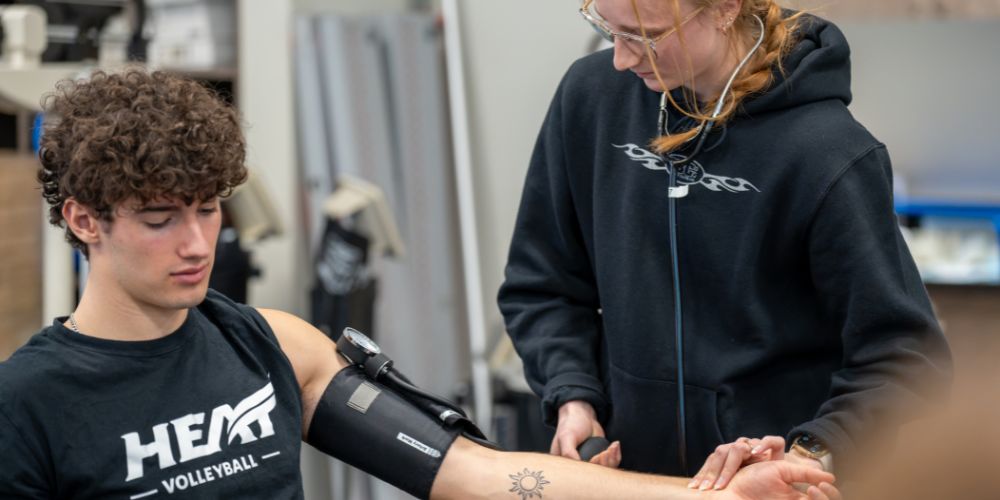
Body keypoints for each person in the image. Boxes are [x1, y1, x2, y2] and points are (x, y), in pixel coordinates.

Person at [0, 69, 840, 499]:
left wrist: (714, 496)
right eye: (158, 218)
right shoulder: (27, 405)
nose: (196, 243)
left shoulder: (272, 347)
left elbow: (478, 475)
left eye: (209, 209)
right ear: (84, 220)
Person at [497, 0, 953, 488]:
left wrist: (811, 451)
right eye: (608, 28)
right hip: (626, 479)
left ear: (724, 9)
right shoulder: (590, 99)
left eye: (645, 37)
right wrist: (573, 395)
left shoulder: (828, 153)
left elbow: (905, 356)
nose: (622, 60)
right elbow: (542, 285)